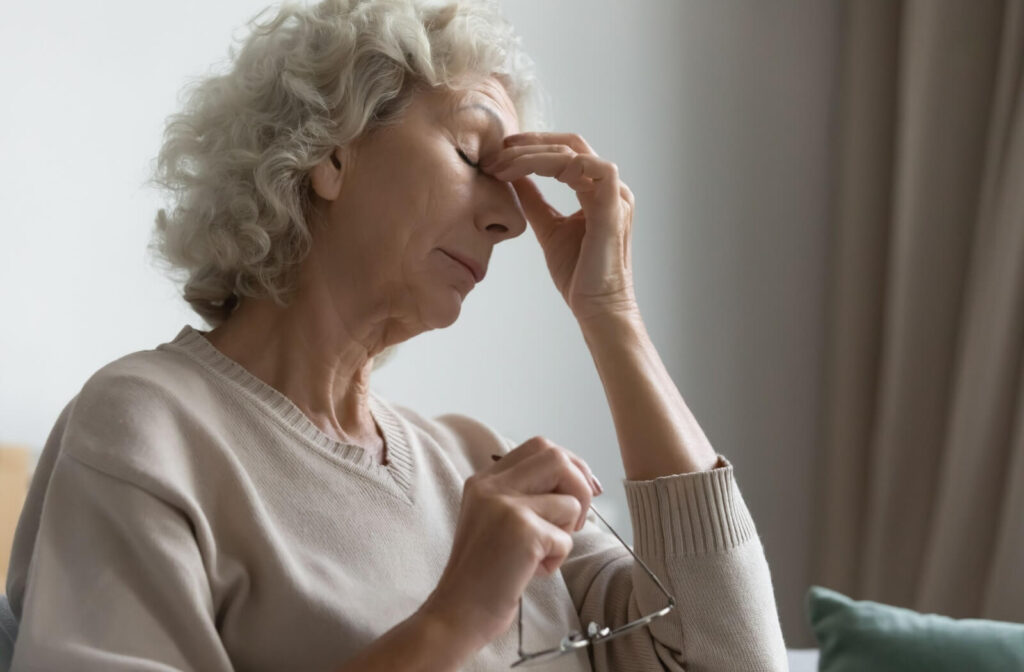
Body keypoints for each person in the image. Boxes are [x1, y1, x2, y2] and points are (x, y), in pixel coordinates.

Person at [4, 0, 789, 669]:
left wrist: (611, 311)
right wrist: (451, 623)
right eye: (474, 155)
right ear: (330, 153)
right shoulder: (146, 428)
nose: (512, 219)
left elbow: (736, 657)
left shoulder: (478, 460)